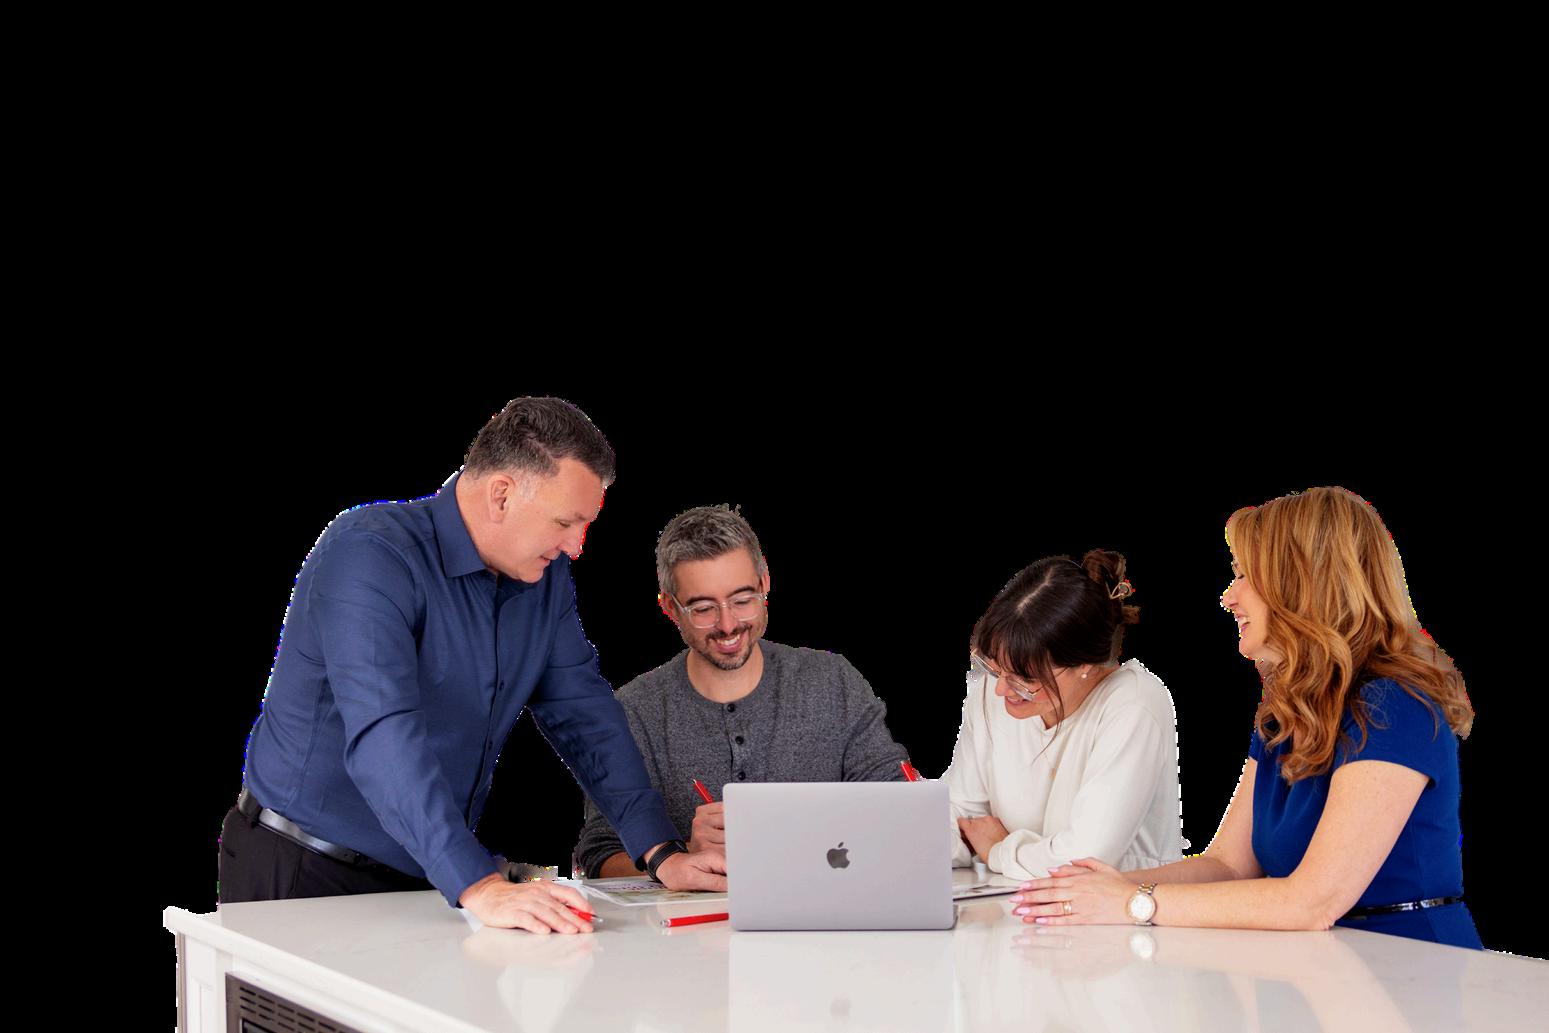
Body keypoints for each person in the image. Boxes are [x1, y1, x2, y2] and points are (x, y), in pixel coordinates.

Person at [220, 397, 725, 934]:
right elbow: (383, 732)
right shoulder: (369, 553)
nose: (576, 547)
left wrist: (660, 851)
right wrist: (476, 884)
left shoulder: (543, 580)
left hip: (430, 874)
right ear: (501, 494)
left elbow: (584, 713)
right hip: (305, 871)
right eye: (565, 522)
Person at [1011, 487, 1481, 949]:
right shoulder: (1287, 712)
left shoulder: (1395, 705)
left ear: (1300, 582)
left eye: (1243, 575)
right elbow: (1230, 866)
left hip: (1414, 967)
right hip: (1327, 966)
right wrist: (1094, 889)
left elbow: (1313, 903)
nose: (1228, 597)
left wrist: (1132, 902)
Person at [572, 505, 912, 878]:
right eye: (703, 608)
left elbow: (897, 801)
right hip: (694, 917)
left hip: (827, 905)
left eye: (742, 599)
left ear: (765, 583)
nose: (728, 625)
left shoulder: (833, 683)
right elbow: (600, 854)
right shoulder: (633, 712)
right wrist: (680, 855)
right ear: (670, 607)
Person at [944, 549, 1184, 881]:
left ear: (1084, 665)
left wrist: (1000, 850)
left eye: (1025, 679)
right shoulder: (994, 692)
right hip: (1012, 900)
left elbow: (1085, 857)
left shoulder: (1135, 704)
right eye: (994, 667)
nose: (1000, 689)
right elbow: (961, 814)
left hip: (1119, 906)